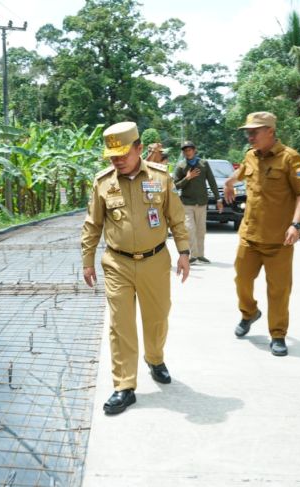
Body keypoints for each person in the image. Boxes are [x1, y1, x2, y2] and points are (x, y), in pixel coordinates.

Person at [81, 121, 191, 415]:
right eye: (112, 156)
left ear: (139, 149)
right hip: (117, 262)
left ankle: (155, 359)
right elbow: (93, 224)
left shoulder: (160, 177)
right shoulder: (103, 182)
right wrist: (87, 260)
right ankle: (124, 386)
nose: (116, 161)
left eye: (122, 154)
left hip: (155, 261)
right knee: (121, 325)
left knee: (157, 318)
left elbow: (176, 217)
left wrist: (184, 251)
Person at [223, 112, 300, 357]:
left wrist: (296, 224)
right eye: (248, 132)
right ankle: (249, 313)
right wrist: (229, 182)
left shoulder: (290, 159)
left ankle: (278, 334)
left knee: (278, 290)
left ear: (270, 131)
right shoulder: (250, 155)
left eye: (254, 132)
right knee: (241, 280)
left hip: (279, 240)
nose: (249, 136)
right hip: (249, 236)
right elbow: (240, 175)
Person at [172, 141, 223, 264]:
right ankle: (193, 255)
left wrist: (218, 199)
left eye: (189, 150)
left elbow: (212, 182)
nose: (187, 152)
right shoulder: (181, 166)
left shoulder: (203, 164)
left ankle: (200, 255)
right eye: (185, 150)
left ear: (194, 150)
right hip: (187, 203)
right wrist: (187, 178)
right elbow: (175, 186)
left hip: (201, 202)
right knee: (190, 229)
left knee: (201, 230)